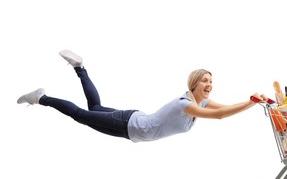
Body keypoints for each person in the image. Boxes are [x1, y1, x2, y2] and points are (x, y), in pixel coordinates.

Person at [17, 50, 264, 142]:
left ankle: (80, 68)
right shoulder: (186, 105)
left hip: (131, 123)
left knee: (95, 107)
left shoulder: (200, 101)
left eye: (211, 81)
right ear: (194, 82)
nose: (209, 84)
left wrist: (253, 102)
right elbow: (220, 116)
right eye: (205, 80)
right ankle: (41, 98)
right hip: (128, 125)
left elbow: (227, 107)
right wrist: (251, 103)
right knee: (82, 115)